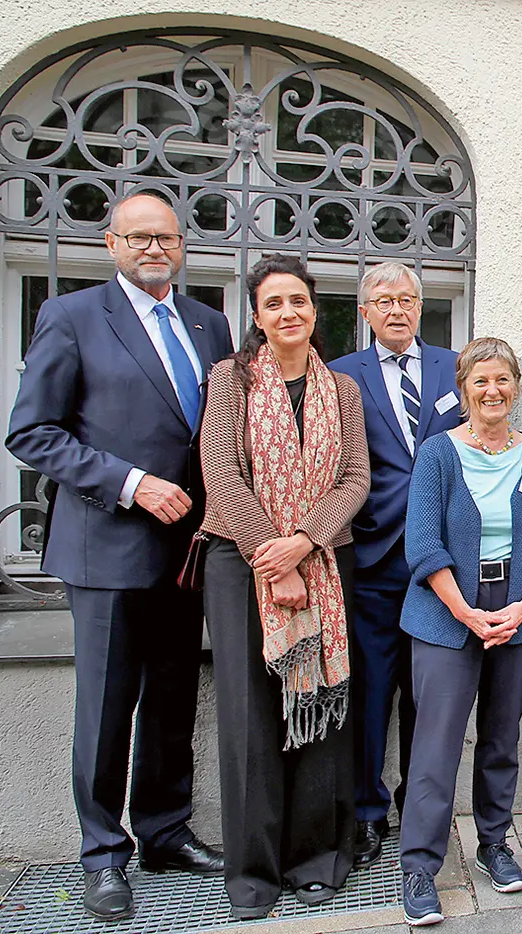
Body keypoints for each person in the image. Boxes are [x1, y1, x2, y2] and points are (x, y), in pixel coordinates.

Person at [6, 190, 230, 920]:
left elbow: (220, 434)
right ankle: (103, 854)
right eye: (138, 238)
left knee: (172, 701)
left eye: (164, 237)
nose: (153, 249)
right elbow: (33, 433)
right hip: (106, 549)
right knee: (106, 709)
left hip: (187, 553)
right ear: (111, 244)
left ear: (181, 245)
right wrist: (130, 484)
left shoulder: (208, 323)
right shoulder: (70, 318)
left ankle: (165, 832)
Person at [199, 254, 371, 918]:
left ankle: (318, 860)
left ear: (314, 310)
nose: (288, 313)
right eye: (273, 304)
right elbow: (219, 469)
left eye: (297, 301)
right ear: (257, 317)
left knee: (323, 710)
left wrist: (304, 545)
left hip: (325, 561)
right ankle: (253, 876)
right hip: (242, 567)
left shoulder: (343, 391)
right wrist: (273, 554)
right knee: (249, 721)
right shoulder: (231, 381)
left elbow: (355, 478)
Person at [399, 338, 522, 926]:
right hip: (446, 613)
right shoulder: (437, 454)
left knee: (500, 738)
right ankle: (420, 865)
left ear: (516, 385)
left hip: (518, 613)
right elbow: (423, 544)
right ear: (464, 387)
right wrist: (467, 612)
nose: (492, 392)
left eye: (502, 380)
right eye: (480, 382)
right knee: (436, 744)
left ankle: (494, 843)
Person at [329, 262, 462, 866]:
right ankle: (365, 810)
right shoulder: (339, 376)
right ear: (365, 312)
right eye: (384, 301)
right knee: (372, 691)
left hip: (442, 564)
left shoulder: (452, 367)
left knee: (426, 693)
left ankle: (420, 805)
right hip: (375, 558)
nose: (397, 309)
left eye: (407, 299)